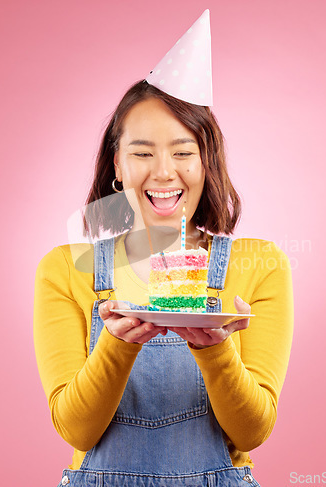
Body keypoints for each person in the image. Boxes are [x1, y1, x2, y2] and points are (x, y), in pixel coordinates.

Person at [34, 11, 293, 487]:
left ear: (205, 162)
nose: (163, 172)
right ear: (117, 161)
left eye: (182, 151)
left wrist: (215, 351)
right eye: (142, 152)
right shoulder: (67, 269)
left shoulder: (259, 266)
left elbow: (253, 432)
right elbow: (76, 430)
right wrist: (115, 343)